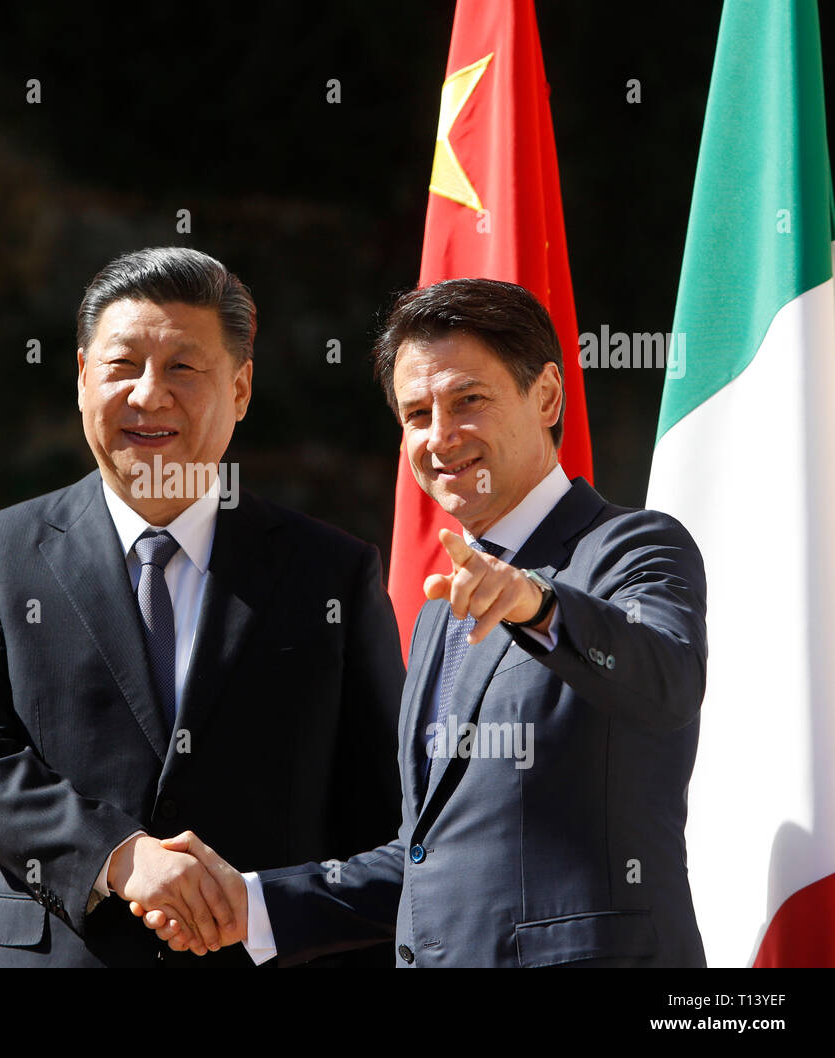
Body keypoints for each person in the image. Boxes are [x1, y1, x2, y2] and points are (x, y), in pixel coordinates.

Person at [140, 277, 709, 967]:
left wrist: (538, 603)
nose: (442, 437)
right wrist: (250, 904)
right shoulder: (444, 605)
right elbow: (431, 856)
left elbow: (665, 679)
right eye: (416, 414)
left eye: (469, 400)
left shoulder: (631, 547)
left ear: (548, 396)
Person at [0, 246, 405, 967]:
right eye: (122, 366)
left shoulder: (332, 572)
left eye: (183, 366)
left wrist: (269, 911)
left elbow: (385, 816)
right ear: (83, 378)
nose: (150, 395)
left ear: (240, 390)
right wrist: (118, 856)